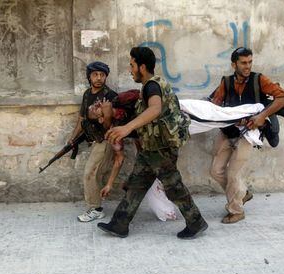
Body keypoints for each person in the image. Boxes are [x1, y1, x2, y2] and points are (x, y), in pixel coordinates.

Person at [96, 47, 208, 239]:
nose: (130, 70)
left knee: (174, 186)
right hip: (151, 149)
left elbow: (155, 109)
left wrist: (127, 128)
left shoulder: (151, 86)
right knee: (136, 185)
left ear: (142, 66)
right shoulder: (151, 85)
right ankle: (119, 224)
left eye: (132, 65)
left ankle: (196, 221)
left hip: (161, 149)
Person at [208, 47, 284, 224]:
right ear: (234, 64)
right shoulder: (227, 82)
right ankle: (242, 193)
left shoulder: (259, 80)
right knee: (215, 171)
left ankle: (236, 210)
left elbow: (283, 98)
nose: (247, 66)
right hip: (228, 131)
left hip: (249, 134)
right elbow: (214, 104)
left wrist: (261, 116)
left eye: (250, 62)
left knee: (233, 173)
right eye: (243, 63)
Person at [68, 61, 117, 222]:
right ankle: (95, 206)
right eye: (95, 74)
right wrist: (73, 137)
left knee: (90, 172)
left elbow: (114, 122)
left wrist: (103, 117)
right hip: (94, 139)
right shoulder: (87, 94)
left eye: (102, 75)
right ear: (89, 76)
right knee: (94, 173)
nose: (99, 78)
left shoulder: (109, 96)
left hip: (106, 139)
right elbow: (82, 118)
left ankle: (96, 208)